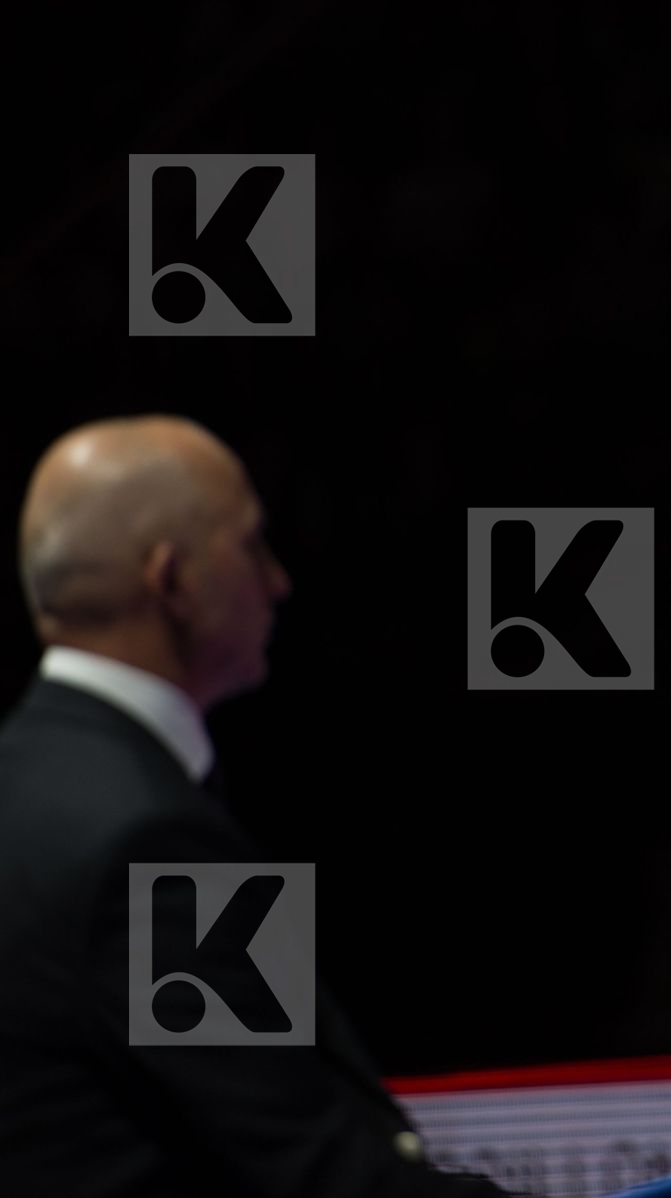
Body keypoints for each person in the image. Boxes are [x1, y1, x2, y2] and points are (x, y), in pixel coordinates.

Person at [0, 416, 509, 1196]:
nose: (278, 581)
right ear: (172, 581)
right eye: (250, 547)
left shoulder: (38, 780)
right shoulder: (151, 838)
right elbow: (320, 1169)